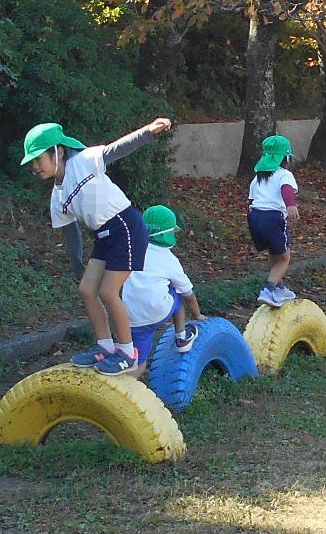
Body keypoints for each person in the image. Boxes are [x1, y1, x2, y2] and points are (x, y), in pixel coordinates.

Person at [23, 115, 173, 376]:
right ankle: (105, 347)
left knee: (108, 292)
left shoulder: (83, 161)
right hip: (103, 236)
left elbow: (116, 149)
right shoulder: (57, 197)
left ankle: (127, 352)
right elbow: (71, 234)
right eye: (31, 162)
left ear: (57, 152)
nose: (35, 166)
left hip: (125, 226)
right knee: (86, 290)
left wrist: (148, 131)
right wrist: (77, 265)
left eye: (38, 159)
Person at [122, 205, 204, 360]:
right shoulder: (168, 260)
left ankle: (128, 373)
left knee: (138, 359)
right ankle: (182, 336)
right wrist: (198, 315)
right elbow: (189, 294)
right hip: (155, 312)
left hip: (128, 316)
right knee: (177, 290)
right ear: (166, 234)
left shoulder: (130, 249)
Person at [247, 133, 300, 307]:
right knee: (284, 258)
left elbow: (250, 201)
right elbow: (286, 189)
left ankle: (279, 287)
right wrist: (291, 205)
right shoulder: (284, 174)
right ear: (285, 157)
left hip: (254, 217)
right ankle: (268, 290)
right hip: (273, 217)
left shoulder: (257, 178)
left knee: (272, 252)